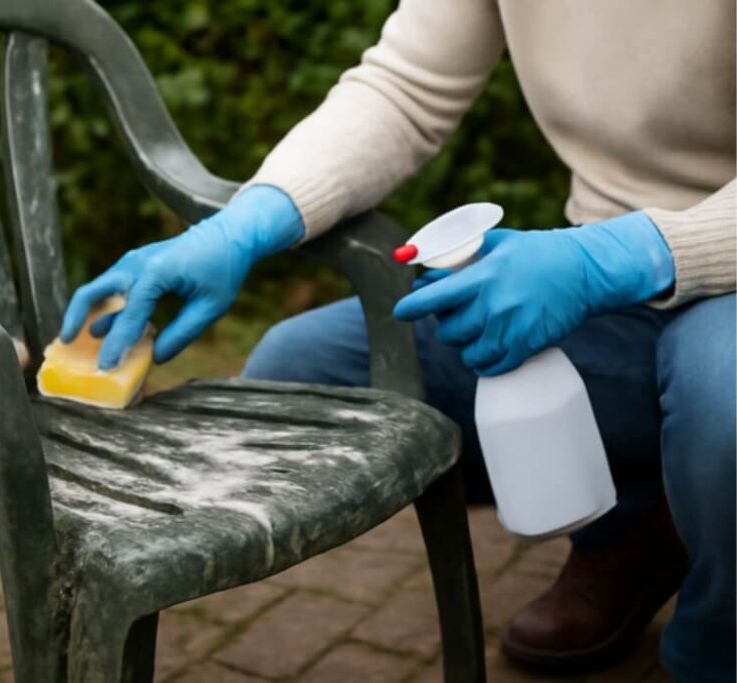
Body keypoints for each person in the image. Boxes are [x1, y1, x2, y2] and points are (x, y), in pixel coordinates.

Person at [59, 1, 735, 679]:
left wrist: (623, 253)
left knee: (723, 401)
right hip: (610, 288)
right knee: (301, 371)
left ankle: (716, 643)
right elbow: (405, 90)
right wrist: (244, 225)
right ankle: (640, 526)